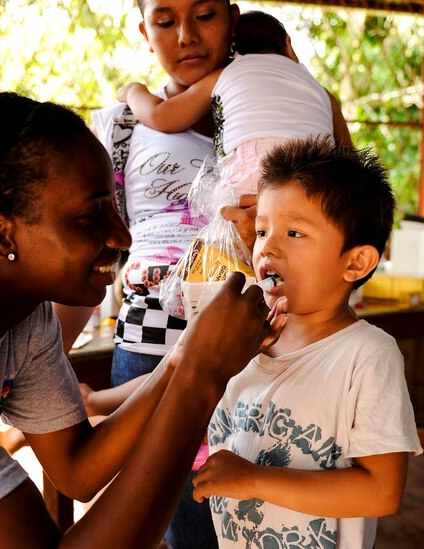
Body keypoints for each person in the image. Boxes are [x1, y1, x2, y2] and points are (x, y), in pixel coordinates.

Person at [0, 90, 286, 548]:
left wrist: (184, 357)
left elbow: (77, 469)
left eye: (116, 210)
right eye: (90, 216)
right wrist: (202, 374)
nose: (121, 237)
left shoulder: (24, 316)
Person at [54, 1, 248, 547]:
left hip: (261, 348)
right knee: (180, 524)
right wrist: (37, 357)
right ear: (145, 31)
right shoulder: (120, 128)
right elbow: (92, 252)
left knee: (264, 516)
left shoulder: (266, 110)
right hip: (148, 350)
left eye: (204, 15)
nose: (186, 36)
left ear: (232, 17)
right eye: (165, 21)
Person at [192, 136, 422, 548]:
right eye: (262, 230)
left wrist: (254, 479)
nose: (268, 247)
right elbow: (185, 375)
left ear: (355, 262)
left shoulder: (367, 356)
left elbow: (382, 492)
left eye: (295, 232)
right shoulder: (247, 338)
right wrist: (102, 402)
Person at [118, 10, 352, 197]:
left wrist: (133, 91)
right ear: (289, 46)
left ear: (233, 49)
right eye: (166, 21)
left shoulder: (228, 73)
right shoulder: (321, 92)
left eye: (204, 16)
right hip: (318, 186)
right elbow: (352, 164)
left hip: (249, 176)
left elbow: (162, 116)